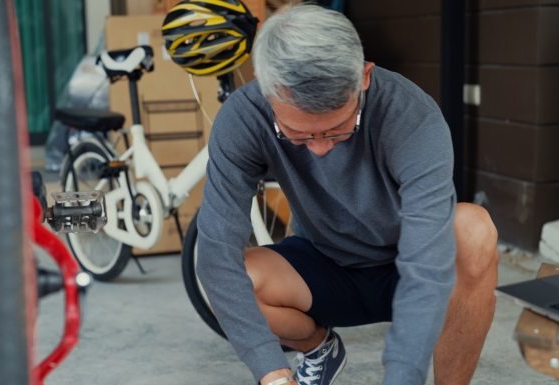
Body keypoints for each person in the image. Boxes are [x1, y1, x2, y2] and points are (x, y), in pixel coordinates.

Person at [196, 4, 499, 385]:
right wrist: (271, 374)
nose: (321, 149)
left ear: (364, 77)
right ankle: (319, 348)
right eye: (300, 134)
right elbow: (216, 248)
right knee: (229, 279)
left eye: (339, 128)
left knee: (472, 227)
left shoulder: (411, 115)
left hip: (409, 267)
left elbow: (426, 262)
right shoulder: (243, 117)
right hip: (323, 265)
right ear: (265, 87)